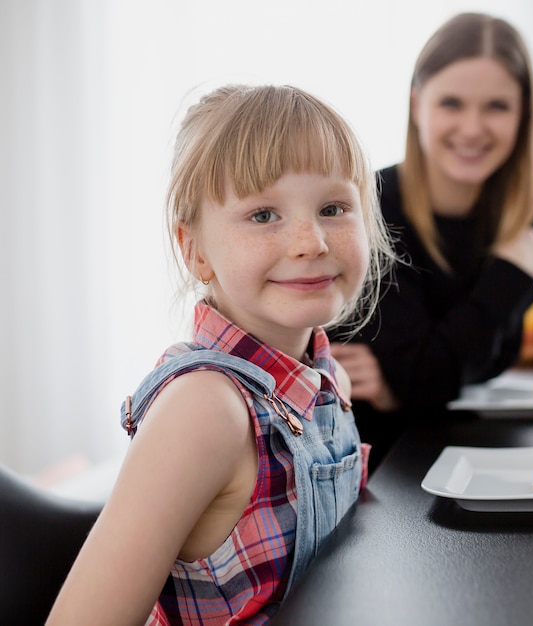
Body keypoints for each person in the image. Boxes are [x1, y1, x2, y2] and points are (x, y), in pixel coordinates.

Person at [46, 84, 396, 625]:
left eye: (333, 208)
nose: (311, 242)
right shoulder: (206, 410)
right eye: (263, 216)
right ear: (195, 251)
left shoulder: (330, 385)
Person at [329, 12, 533, 471]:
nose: (472, 128)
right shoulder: (373, 207)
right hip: (373, 469)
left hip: (446, 452)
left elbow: (487, 361)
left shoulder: (513, 215)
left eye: (497, 106)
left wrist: (411, 387)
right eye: (451, 103)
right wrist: (508, 277)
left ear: (523, 114)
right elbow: (429, 373)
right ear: (416, 105)